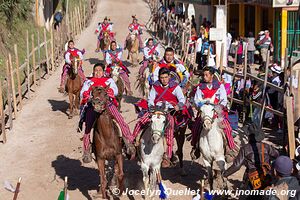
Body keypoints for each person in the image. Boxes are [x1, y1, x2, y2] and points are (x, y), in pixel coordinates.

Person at [132, 67, 191, 167]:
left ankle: (167, 155)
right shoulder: (155, 87)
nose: (164, 79)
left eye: (166, 77)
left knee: (170, 127)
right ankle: (133, 143)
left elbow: (182, 99)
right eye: (162, 77)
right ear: (159, 77)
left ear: (169, 77)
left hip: (168, 111)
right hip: (155, 110)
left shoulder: (175, 87)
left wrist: (178, 106)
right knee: (142, 120)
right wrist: (151, 107)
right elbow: (151, 99)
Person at [78, 63, 135, 163]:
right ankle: (87, 150)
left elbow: (115, 90)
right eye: (96, 70)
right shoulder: (88, 82)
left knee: (120, 120)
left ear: (103, 72)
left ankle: (128, 142)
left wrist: (109, 92)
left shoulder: (109, 80)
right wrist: (87, 94)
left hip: (107, 105)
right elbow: (83, 92)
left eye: (100, 70)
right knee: (88, 127)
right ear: (93, 71)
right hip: (93, 106)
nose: (98, 72)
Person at [191, 66, 235, 160]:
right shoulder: (200, 87)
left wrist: (216, 106)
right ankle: (195, 147)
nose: (204, 77)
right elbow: (196, 99)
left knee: (227, 127)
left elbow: (223, 100)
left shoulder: (220, 86)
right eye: (203, 75)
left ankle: (229, 148)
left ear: (212, 76)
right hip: (204, 111)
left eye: (206, 75)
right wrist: (202, 104)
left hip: (217, 111)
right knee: (195, 127)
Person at [224, 123, 279, 195]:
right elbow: (277, 155)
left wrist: (225, 174)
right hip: (266, 177)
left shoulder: (245, 149)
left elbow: (236, 166)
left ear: (249, 136)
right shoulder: (267, 147)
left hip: (252, 178)